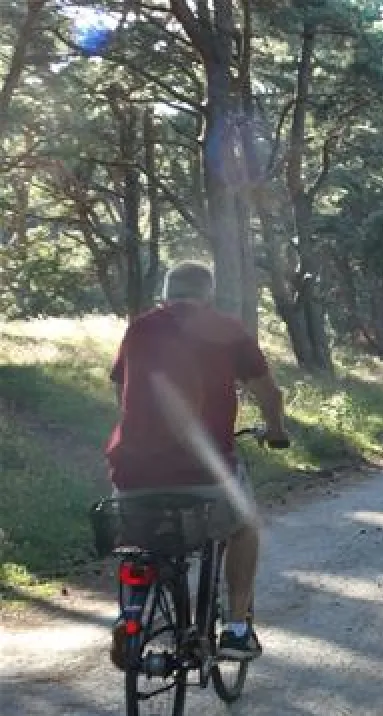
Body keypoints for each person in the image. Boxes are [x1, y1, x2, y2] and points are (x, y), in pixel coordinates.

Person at [106, 260, 288, 664]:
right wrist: (276, 430)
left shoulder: (139, 328)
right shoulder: (226, 329)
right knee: (245, 525)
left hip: (132, 472)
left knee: (142, 540)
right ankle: (237, 630)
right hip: (205, 470)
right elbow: (268, 394)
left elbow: (121, 389)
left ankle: (132, 613)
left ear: (167, 294)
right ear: (209, 295)